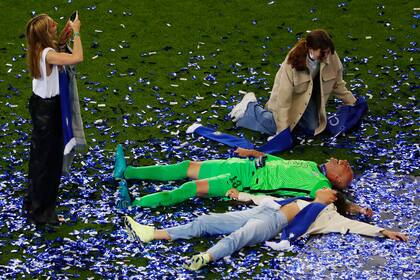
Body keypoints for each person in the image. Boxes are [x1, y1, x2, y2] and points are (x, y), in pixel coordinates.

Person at [124, 188, 408, 271]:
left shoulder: (329, 214)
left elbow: (353, 225)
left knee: (239, 238)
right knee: (207, 221)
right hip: (264, 211)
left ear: (332, 196)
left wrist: (384, 231)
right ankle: (152, 234)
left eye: (327, 189)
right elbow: (266, 199)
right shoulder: (303, 199)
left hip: (275, 224)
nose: (321, 187)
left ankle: (205, 258)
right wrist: (242, 196)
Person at [113, 145, 370, 216]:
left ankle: (134, 204)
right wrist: (255, 153)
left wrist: (355, 208)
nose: (344, 162)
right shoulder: (312, 165)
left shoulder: (319, 185)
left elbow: (335, 202)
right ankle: (127, 173)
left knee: (190, 188)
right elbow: (277, 163)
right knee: (185, 167)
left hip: (239, 181)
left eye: (346, 169)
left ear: (337, 181)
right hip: (243, 165)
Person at [229, 29, 357, 137]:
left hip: (310, 98)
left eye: (329, 51)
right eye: (323, 53)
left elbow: (338, 84)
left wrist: (353, 103)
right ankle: (249, 107)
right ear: (311, 50)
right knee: (276, 126)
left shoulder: (331, 57)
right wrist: (282, 132)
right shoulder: (292, 62)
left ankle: (295, 120)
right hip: (286, 99)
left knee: (312, 128)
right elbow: (284, 100)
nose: (328, 56)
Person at [24, 12, 83, 225]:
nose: (56, 24)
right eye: (52, 25)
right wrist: (76, 33)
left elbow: (57, 50)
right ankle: (43, 214)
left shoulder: (38, 49)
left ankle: (34, 203)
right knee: (50, 163)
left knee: (39, 160)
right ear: (45, 33)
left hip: (40, 107)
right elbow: (77, 58)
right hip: (49, 112)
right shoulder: (48, 54)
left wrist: (65, 36)